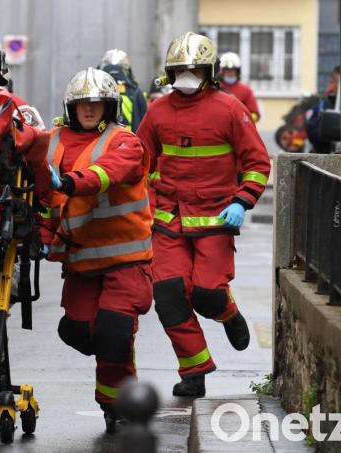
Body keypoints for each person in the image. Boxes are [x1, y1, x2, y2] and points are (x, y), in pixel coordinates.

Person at [135, 32, 270, 397]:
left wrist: (242, 201)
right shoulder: (158, 111)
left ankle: (228, 313)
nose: (187, 75)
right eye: (181, 69)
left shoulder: (230, 109)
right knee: (169, 295)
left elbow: (257, 163)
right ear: (169, 73)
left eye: (194, 69)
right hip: (169, 220)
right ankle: (194, 371)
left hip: (216, 219)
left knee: (208, 294)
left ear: (209, 72)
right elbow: (139, 160)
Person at [43, 67, 154, 433]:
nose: (89, 109)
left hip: (126, 259)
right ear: (70, 107)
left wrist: (71, 182)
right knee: (76, 331)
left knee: (113, 333)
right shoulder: (53, 141)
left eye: (97, 103)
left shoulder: (125, 142)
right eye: (82, 103)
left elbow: (108, 172)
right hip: (82, 262)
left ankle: (116, 404)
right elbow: (43, 197)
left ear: (109, 107)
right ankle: (115, 369)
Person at [97, 49, 149, 132]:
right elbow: (145, 122)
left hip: (102, 138)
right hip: (129, 138)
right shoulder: (136, 92)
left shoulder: (95, 92)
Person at [305, 65, 340, 154]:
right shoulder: (322, 106)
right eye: (339, 82)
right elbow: (311, 132)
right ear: (332, 83)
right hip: (326, 156)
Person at [218, 52, 261, 123]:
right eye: (227, 70)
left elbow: (255, 114)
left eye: (232, 70)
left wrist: (241, 118)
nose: (230, 73)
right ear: (222, 71)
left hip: (239, 126)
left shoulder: (246, 90)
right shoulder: (215, 88)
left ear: (237, 72)